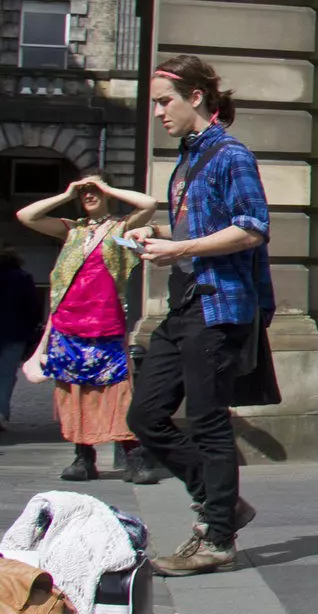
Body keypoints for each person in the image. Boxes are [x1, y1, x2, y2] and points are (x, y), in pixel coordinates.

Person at [130, 55, 277, 576]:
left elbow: (252, 227)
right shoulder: (191, 157)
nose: (158, 114)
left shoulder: (230, 155)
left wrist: (183, 245)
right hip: (188, 300)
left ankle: (217, 537)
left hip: (220, 305)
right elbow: (202, 227)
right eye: (154, 104)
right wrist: (163, 237)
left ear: (196, 97)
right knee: (144, 415)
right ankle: (222, 504)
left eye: (164, 102)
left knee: (208, 420)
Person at [15, 174, 162, 480]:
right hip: (67, 324)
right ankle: (83, 456)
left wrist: (105, 187)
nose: (89, 195)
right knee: (72, 391)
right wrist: (67, 193)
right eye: (85, 192)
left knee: (117, 390)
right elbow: (25, 215)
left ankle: (133, 455)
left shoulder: (122, 226)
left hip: (105, 323)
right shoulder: (72, 229)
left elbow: (149, 203)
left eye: (94, 190)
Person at [0, 248, 42, 434]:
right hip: (15, 333)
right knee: (6, 376)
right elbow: (33, 308)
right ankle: (1, 414)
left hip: (12, 331)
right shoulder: (23, 278)